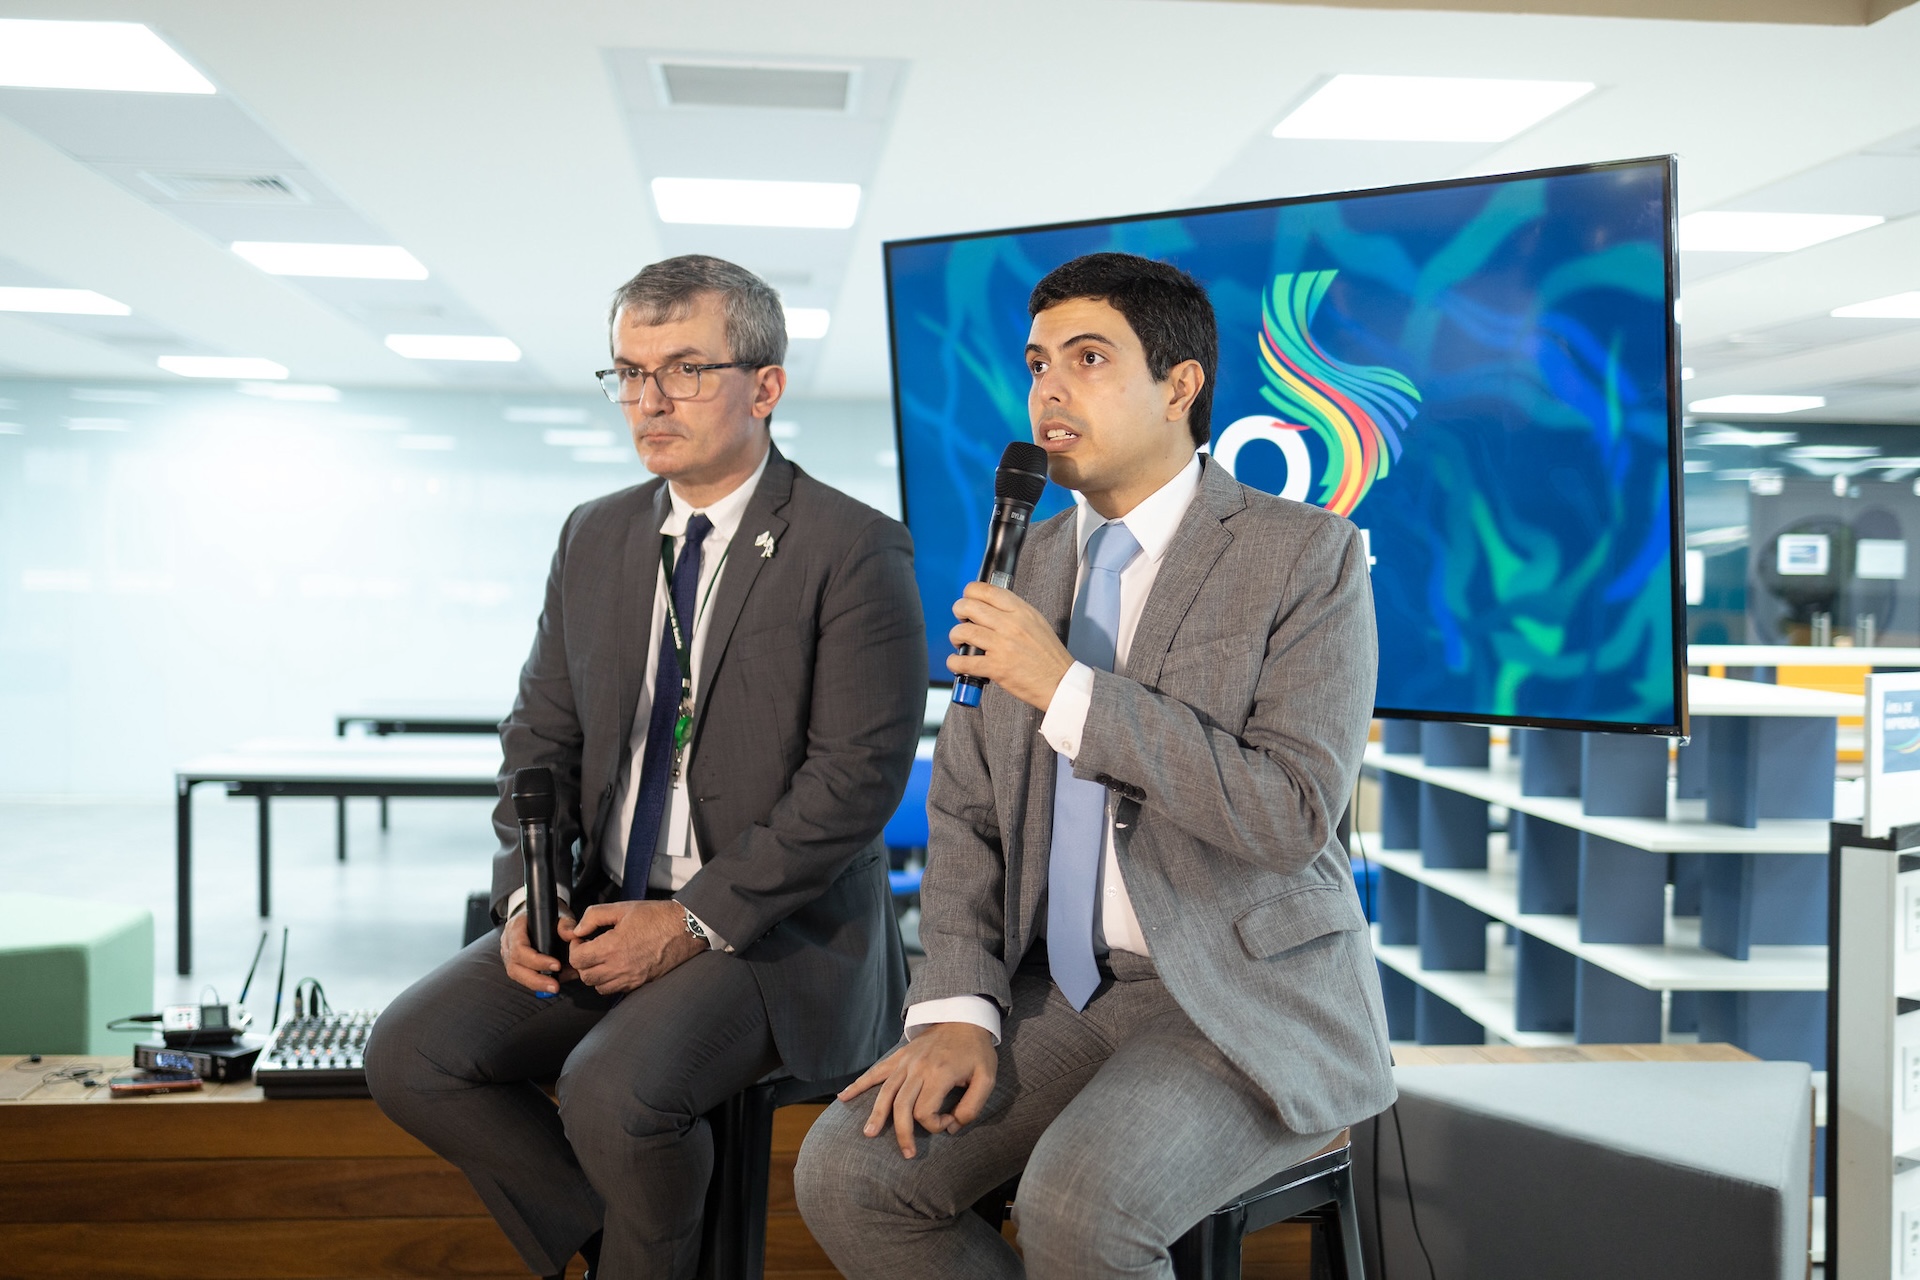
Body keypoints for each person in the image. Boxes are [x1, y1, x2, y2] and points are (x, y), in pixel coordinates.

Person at [794, 251, 1394, 1278]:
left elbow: (1291, 813)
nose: (1048, 389)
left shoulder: (1307, 555)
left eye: (1086, 357)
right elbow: (967, 812)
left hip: (1238, 993)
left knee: (1076, 1207)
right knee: (848, 1175)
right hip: (1062, 989)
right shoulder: (1021, 558)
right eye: (1037, 362)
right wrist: (959, 1006)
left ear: (1179, 385)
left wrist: (1067, 686)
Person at [365, 254, 926, 1280]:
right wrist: (525, 895)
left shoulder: (855, 547)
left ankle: (644, 1242)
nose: (649, 399)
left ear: (765, 386)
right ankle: (624, 1239)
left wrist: (690, 920)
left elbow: (856, 781)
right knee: (410, 1052)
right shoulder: (596, 535)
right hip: (599, 909)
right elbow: (538, 737)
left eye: (683, 369)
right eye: (628, 371)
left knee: (610, 1087)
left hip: (772, 934)